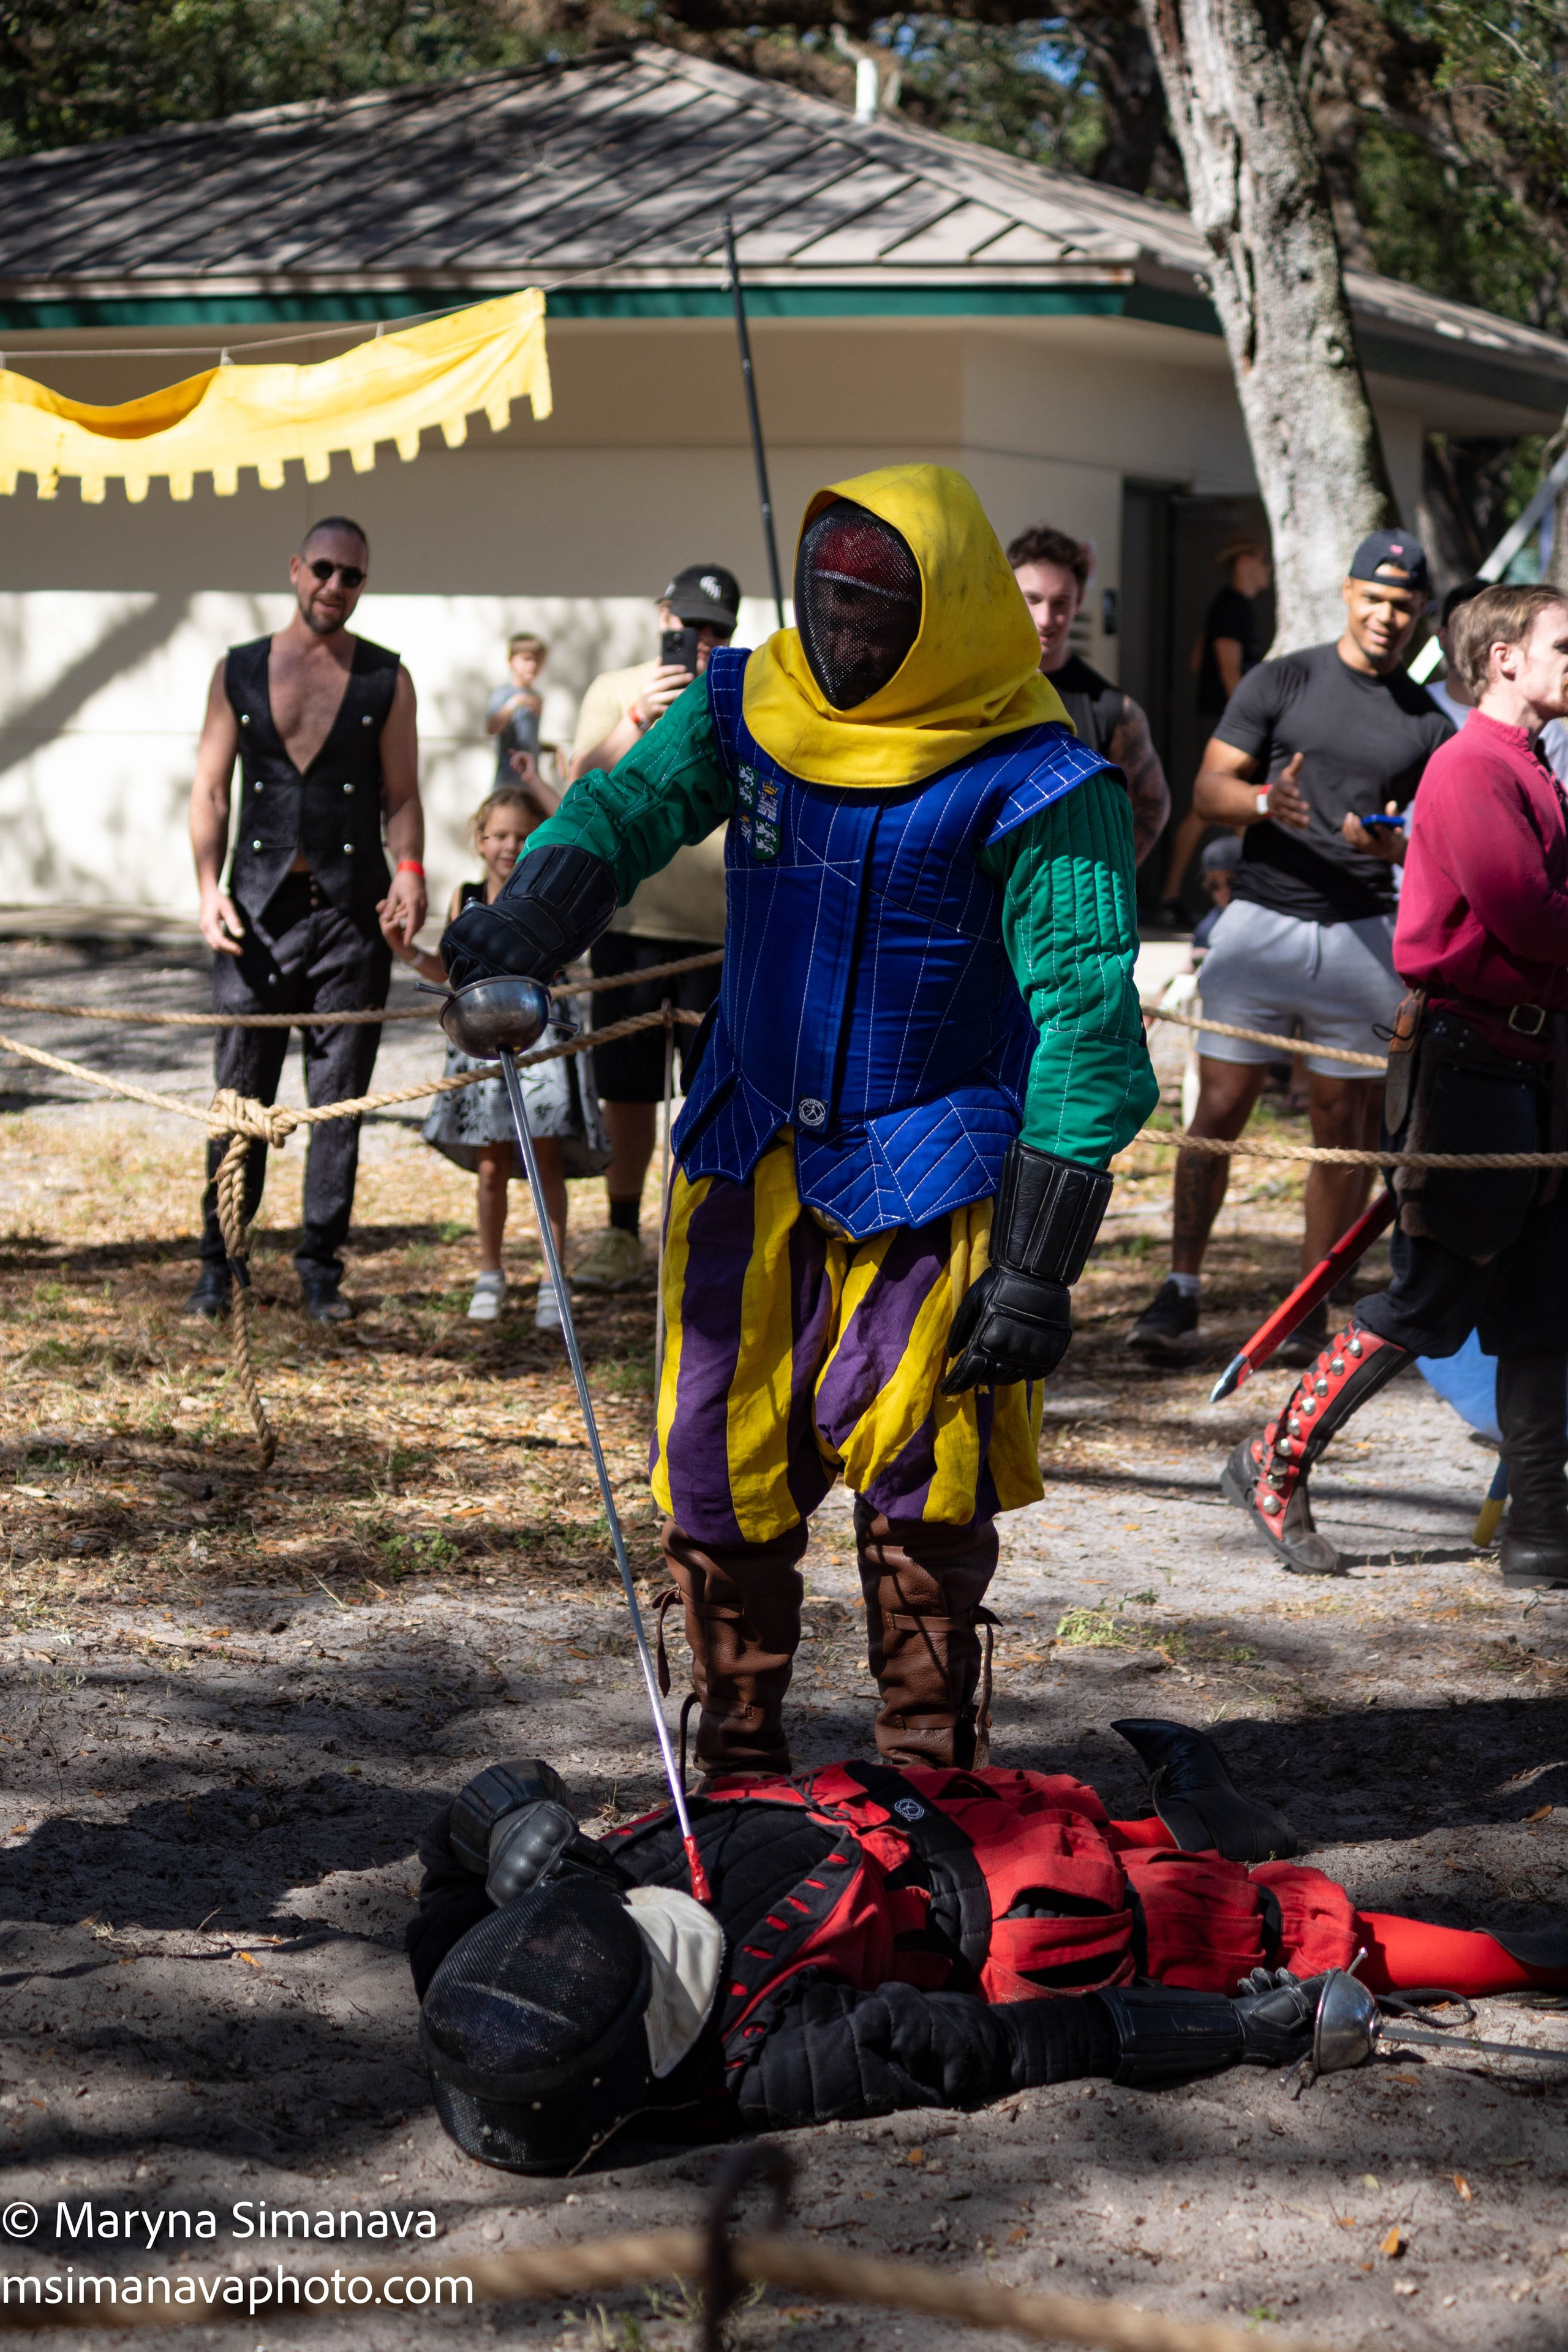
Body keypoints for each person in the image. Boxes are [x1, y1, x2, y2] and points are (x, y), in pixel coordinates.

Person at [442, 464, 1156, 1781]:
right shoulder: (748, 706)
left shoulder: (1043, 780)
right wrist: (529, 928)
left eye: (874, 615)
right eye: (826, 606)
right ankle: (739, 1774)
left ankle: (924, 1779)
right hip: (742, 1146)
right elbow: (622, 807)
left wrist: (1042, 1265)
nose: (841, 641)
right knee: (715, 1468)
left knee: (926, 1491)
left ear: (941, 613)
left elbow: (1086, 1025)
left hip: (935, 1174)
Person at [406, 1726, 1568, 2174]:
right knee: (1281, 1927)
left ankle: (1195, 1822)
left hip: (864, 1807)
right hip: (1003, 1903)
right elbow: (997, 2048)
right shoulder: (765, 2062)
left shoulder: (475, 1966)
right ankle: (1532, 1958)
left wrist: (505, 1823)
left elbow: (456, 1842)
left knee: (1099, 1827)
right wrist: (1233, 2030)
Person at [1225, 581, 1568, 1583]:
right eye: (1562, 641)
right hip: (1467, 1067)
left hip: (1534, 1063)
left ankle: (1542, 1525)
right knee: (1432, 1294)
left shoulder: (1530, 767)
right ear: (1502, 657)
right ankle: (1272, 1460)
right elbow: (1531, 919)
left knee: (1544, 1299)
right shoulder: (1470, 768)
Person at [1128, 530, 1452, 1368]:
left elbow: (1440, 842)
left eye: (1405, 606)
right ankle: (1181, 1287)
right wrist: (1268, 800)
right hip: (1261, 923)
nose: (1388, 617)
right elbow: (1208, 788)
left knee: (1342, 1124)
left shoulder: (1426, 722)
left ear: (1420, 615)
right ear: (1348, 594)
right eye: (1376, 599)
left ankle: (1308, 1305)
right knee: (1220, 1111)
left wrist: (1399, 849)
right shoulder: (1286, 678)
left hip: (1362, 932)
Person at [184, 516, 425, 1324]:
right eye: (323, 569)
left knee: (337, 1102)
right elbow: (211, 787)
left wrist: (414, 873)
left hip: (352, 918)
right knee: (240, 1097)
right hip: (254, 911)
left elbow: (404, 795)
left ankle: (321, 1268)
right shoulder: (240, 671)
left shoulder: (386, 679)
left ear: (364, 584)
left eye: (351, 576)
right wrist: (205, 886)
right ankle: (220, 1265)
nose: (334, 587)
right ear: (295, 569)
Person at [565, 565, 738, 1292]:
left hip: (724, 934)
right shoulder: (615, 688)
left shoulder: (746, 694)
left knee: (710, 1097)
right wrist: (638, 718)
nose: (700, 641)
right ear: (662, 614)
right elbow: (579, 786)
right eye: (688, 625)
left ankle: (696, 1236)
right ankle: (619, 1230)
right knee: (628, 1092)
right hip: (633, 928)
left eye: (717, 630)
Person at [384, 786, 609, 1333]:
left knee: (544, 1159)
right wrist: (406, 951)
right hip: (481, 1039)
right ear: (480, 841)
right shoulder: (466, 897)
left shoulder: (552, 898)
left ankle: (554, 1278)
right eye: (499, 836)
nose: (510, 846)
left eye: (523, 836)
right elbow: (448, 973)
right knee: (491, 1163)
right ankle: (491, 1272)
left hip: (541, 1042)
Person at [1007, 523, 1170, 864]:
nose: (1045, 618)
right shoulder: (972, 688)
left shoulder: (1110, 709)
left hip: (1061, 903)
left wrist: (1111, 879)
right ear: (1008, 593)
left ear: (1080, 601)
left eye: (1061, 603)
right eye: (1032, 599)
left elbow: (1152, 804)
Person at [1153, 537, 1274, 926]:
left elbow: (1195, 660)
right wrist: (1252, 719)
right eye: (1264, 560)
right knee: (1222, 805)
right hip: (1227, 723)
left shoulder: (1233, 605)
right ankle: (1183, 896)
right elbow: (1226, 666)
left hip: (1221, 718)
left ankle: (1185, 896)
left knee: (1223, 808)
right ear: (1244, 559)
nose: (1270, 569)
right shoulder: (1233, 605)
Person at [485, 633, 550, 799]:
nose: (533, 665)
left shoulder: (536, 695)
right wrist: (516, 702)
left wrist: (553, 750)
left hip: (531, 783)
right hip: (508, 782)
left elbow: (527, 741)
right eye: (527, 659)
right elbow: (492, 728)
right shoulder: (504, 694)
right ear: (511, 661)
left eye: (538, 660)